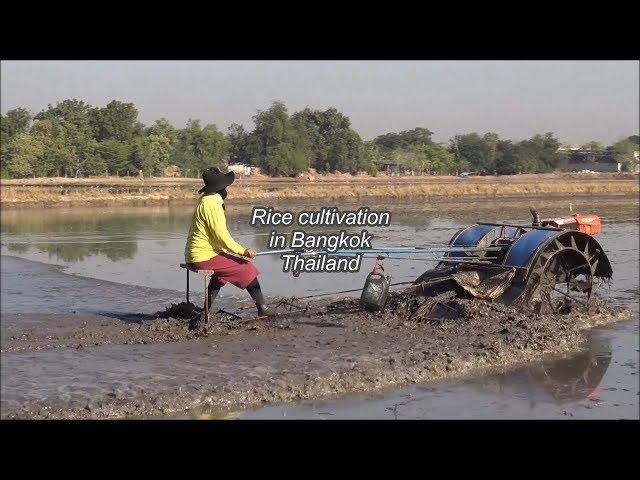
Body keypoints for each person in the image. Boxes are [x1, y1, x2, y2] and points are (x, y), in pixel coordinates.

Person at [185, 167, 275, 329]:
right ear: (219, 188)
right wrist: (243, 251)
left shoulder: (206, 200)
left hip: (198, 254)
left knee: (220, 276)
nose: (227, 189)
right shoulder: (212, 203)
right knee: (247, 268)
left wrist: (229, 251)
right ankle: (263, 309)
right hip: (203, 257)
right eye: (225, 187)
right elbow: (221, 236)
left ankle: (206, 312)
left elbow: (215, 236)